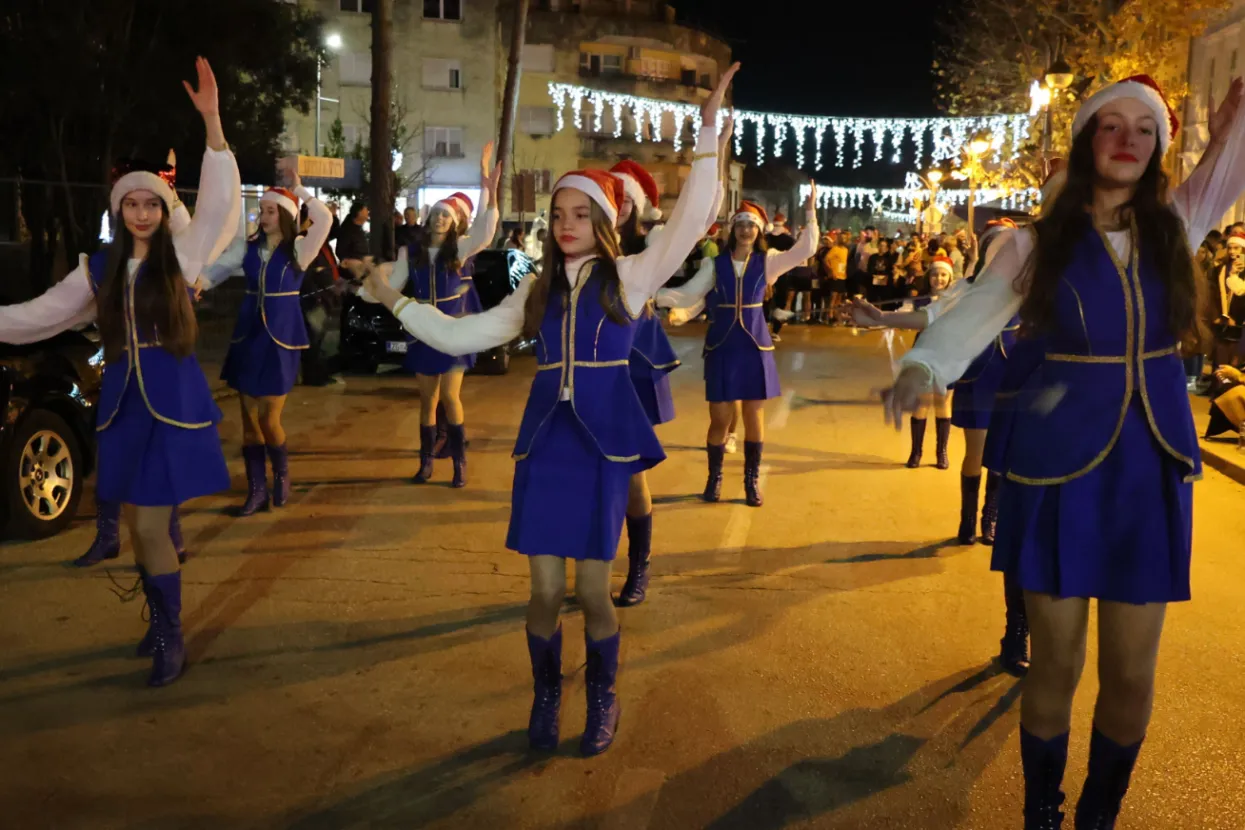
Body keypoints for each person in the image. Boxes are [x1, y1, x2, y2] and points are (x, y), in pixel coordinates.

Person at [882, 73, 1245, 828]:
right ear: (1085, 142)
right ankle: (1040, 811)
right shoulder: (1032, 243)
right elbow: (972, 317)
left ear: (1157, 147)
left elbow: (1228, 166)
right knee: (1054, 660)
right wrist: (921, 368)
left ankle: (1097, 815)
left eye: (1142, 129)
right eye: (1108, 125)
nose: (1126, 140)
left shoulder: (1176, 224)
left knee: (1130, 671)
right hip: (1055, 471)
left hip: (1148, 469)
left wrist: (1232, 124)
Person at [361, 63, 737, 757]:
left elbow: (688, 221)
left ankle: (601, 696)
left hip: (600, 451)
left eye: (579, 214)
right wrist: (395, 302)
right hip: (545, 448)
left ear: (602, 219)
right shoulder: (533, 293)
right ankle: (544, 692)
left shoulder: (628, 277)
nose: (566, 225)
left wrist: (707, 131)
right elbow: (457, 334)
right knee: (540, 593)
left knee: (592, 593)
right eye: (558, 214)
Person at [0, 57, 239, 687]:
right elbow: (35, 318)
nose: (139, 213)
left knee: (153, 526)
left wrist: (212, 123)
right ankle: (160, 620)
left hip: (173, 403)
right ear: (117, 210)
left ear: (164, 208)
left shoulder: (184, 256)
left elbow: (219, 205)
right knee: (138, 526)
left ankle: (169, 634)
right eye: (129, 203)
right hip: (124, 409)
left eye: (149, 202)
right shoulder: (98, 270)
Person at [607, 150, 728, 608]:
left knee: (630, 471)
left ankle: (639, 565)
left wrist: (712, 149)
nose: (615, 204)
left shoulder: (652, 250)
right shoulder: (582, 247)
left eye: (623, 197)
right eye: (609, 195)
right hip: (587, 367)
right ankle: (596, 563)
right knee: (594, 473)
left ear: (637, 207)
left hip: (633, 362)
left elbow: (699, 217)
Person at [658, 190, 819, 508]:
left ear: (759, 230)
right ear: (733, 229)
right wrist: (656, 298)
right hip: (721, 346)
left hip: (756, 346)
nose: (746, 230)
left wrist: (811, 212)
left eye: (752, 225)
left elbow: (807, 249)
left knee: (753, 415)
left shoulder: (769, 262)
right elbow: (689, 293)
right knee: (719, 419)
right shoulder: (714, 265)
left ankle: (750, 481)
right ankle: (714, 478)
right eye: (740, 224)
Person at [361, 149, 501, 487]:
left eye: (446, 215)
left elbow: (486, 229)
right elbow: (392, 286)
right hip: (423, 332)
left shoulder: (463, 248)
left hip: (453, 332)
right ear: (428, 218)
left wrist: (489, 191)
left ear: (455, 222)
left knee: (451, 397)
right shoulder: (411, 252)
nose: (440, 219)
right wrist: (365, 289)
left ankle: (459, 462)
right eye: (436, 213)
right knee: (428, 400)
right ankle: (425, 463)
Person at [200, 163, 332, 515]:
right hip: (248, 335)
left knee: (268, 419)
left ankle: (282, 474)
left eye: (270, 210)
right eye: (262, 210)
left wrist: (299, 189)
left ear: (286, 216)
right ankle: (256, 490)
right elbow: (220, 267)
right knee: (247, 420)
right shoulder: (249, 247)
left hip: (281, 339)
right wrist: (198, 284)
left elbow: (324, 219)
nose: (263, 215)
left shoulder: (300, 250)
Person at [299, 204, 343, 387]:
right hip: (314, 297)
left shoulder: (322, 241)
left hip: (327, 296)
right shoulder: (304, 240)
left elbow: (335, 230)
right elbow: (307, 272)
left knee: (324, 339)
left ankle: (322, 373)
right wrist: (318, 292)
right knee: (314, 338)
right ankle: (313, 376)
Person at [336, 201, 370, 277]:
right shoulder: (347, 230)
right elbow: (340, 251)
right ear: (359, 213)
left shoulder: (358, 229)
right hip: (352, 273)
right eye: (366, 210)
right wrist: (352, 263)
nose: (368, 212)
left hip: (361, 270)